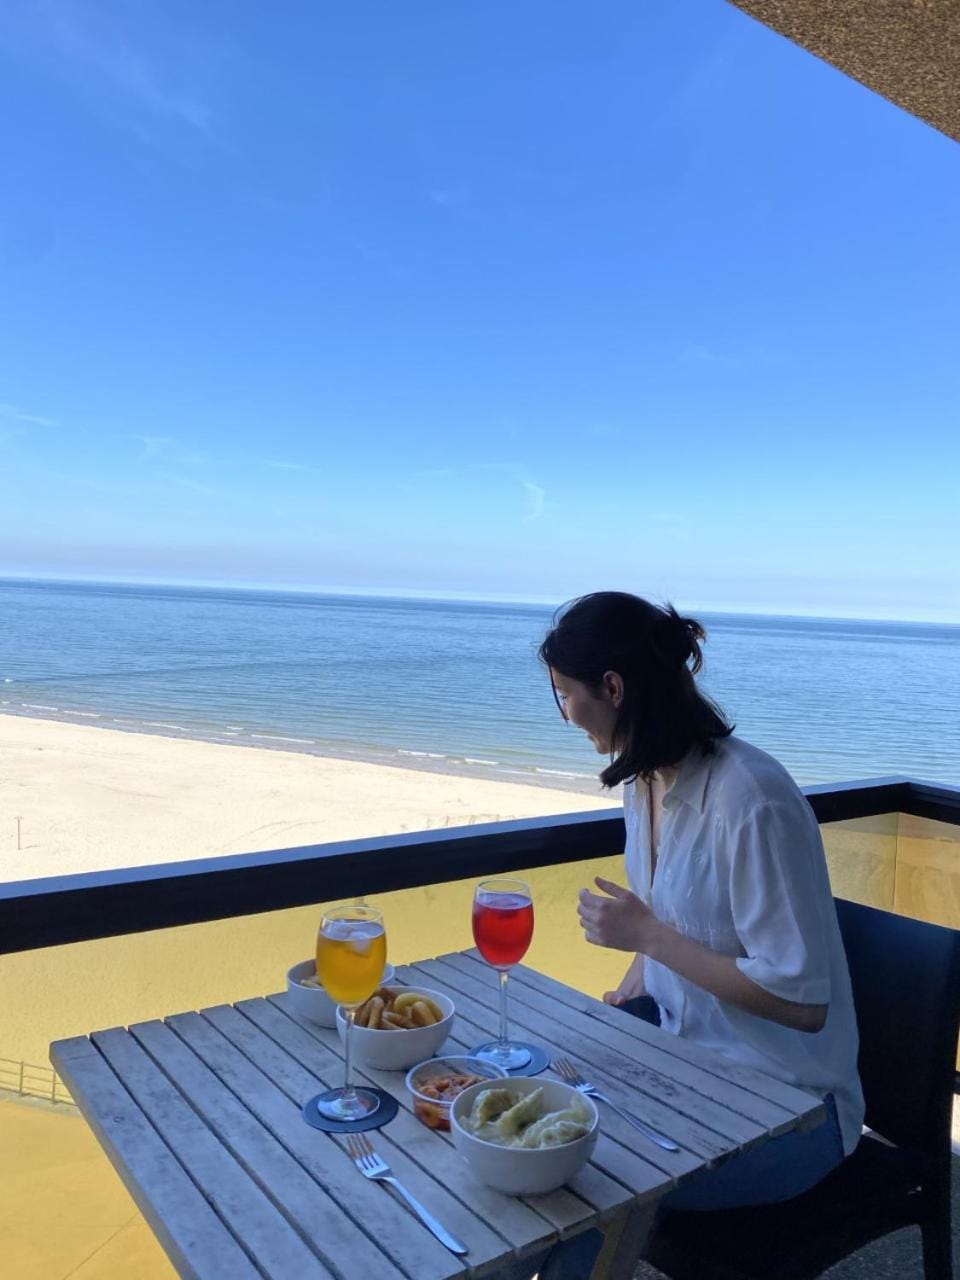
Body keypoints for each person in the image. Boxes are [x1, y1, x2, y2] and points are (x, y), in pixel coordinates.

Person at [511, 591, 864, 1280]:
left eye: (565, 694)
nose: (565, 713)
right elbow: (674, 922)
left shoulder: (751, 800)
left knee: (580, 1178)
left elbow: (803, 1003)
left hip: (793, 1109)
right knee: (530, 1119)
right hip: (685, 1061)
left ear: (613, 688)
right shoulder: (644, 783)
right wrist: (631, 988)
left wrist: (647, 937)